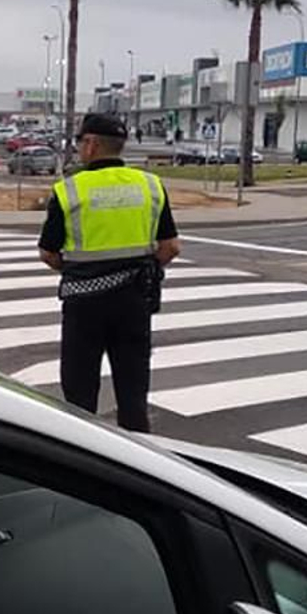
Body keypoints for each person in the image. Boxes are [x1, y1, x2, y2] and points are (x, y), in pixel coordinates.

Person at [37, 113, 181, 433]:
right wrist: (142, 270)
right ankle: (139, 462)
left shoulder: (69, 190)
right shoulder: (150, 186)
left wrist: (76, 268)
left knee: (79, 398)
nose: (78, 149)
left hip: (84, 306)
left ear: (91, 144)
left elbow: (48, 253)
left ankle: (85, 460)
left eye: (79, 142)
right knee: (133, 396)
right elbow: (171, 247)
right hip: (134, 302)